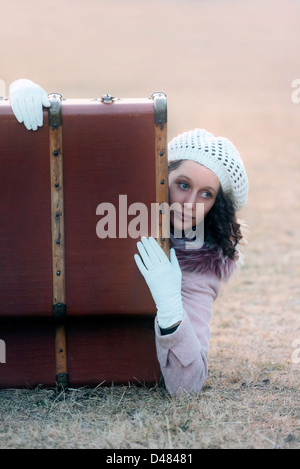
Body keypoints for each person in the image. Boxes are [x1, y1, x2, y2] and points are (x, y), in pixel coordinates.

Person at [9, 79, 248, 394]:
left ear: (216, 206)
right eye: (184, 185)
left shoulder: (198, 267)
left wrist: (171, 306)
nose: (190, 204)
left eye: (206, 194)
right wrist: (17, 98)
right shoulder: (116, 202)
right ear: (161, 175)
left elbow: (188, 385)